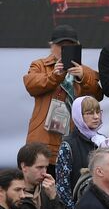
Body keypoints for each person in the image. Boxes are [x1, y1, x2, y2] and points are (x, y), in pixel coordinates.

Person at [24, 26, 102, 159]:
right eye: (61, 45)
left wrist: (82, 78)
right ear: (51, 46)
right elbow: (31, 85)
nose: (64, 49)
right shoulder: (40, 65)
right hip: (44, 137)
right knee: (43, 173)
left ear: (77, 47)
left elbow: (98, 96)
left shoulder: (85, 71)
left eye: (70, 46)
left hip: (76, 137)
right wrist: (54, 76)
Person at [54, 95, 109, 209]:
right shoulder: (68, 145)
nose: (96, 117)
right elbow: (62, 185)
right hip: (80, 208)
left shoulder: (102, 141)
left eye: (98, 112)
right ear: (78, 115)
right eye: (89, 113)